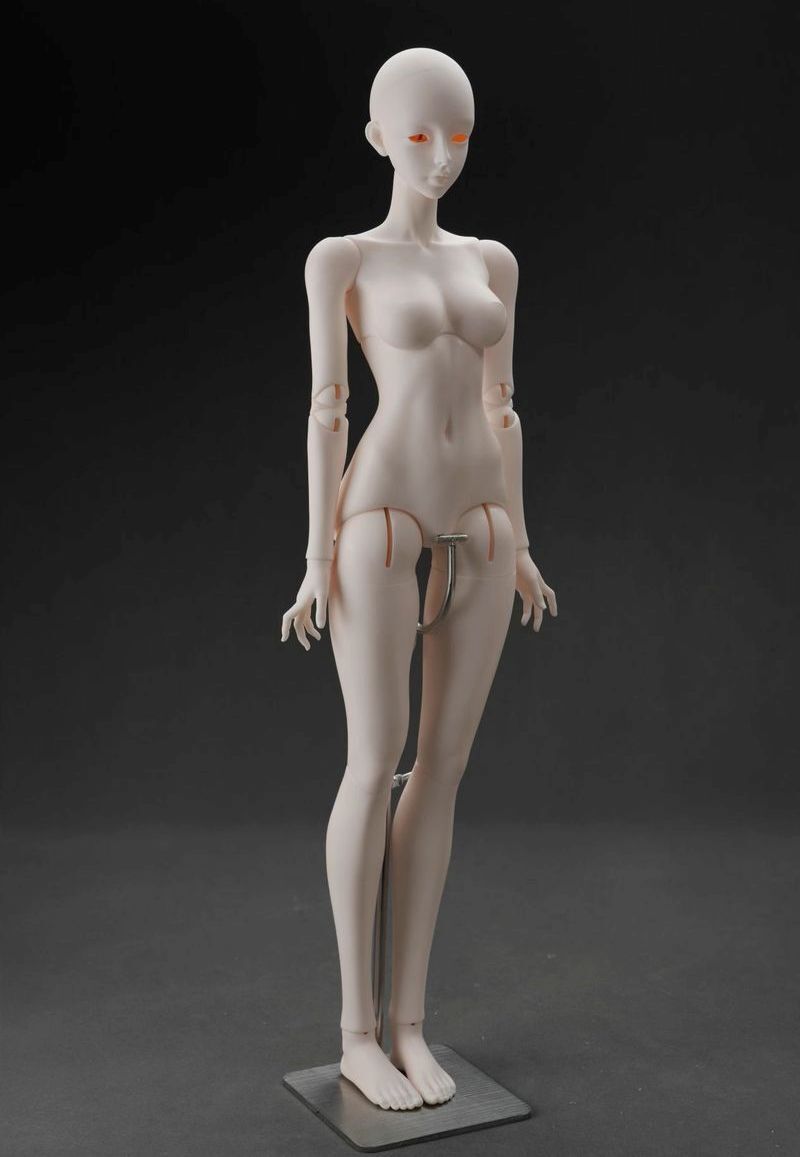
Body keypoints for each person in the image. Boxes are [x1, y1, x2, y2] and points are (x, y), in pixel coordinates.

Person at [281, 47, 557, 1112]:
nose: (440, 156)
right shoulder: (342, 258)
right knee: (372, 763)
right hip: (381, 522)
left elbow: (502, 406)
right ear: (376, 139)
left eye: (458, 136)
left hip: (482, 524)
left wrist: (522, 540)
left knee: (439, 771)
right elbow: (327, 408)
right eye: (417, 135)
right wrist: (314, 557)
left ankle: (408, 1022)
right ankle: (356, 1031)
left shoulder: (493, 259)